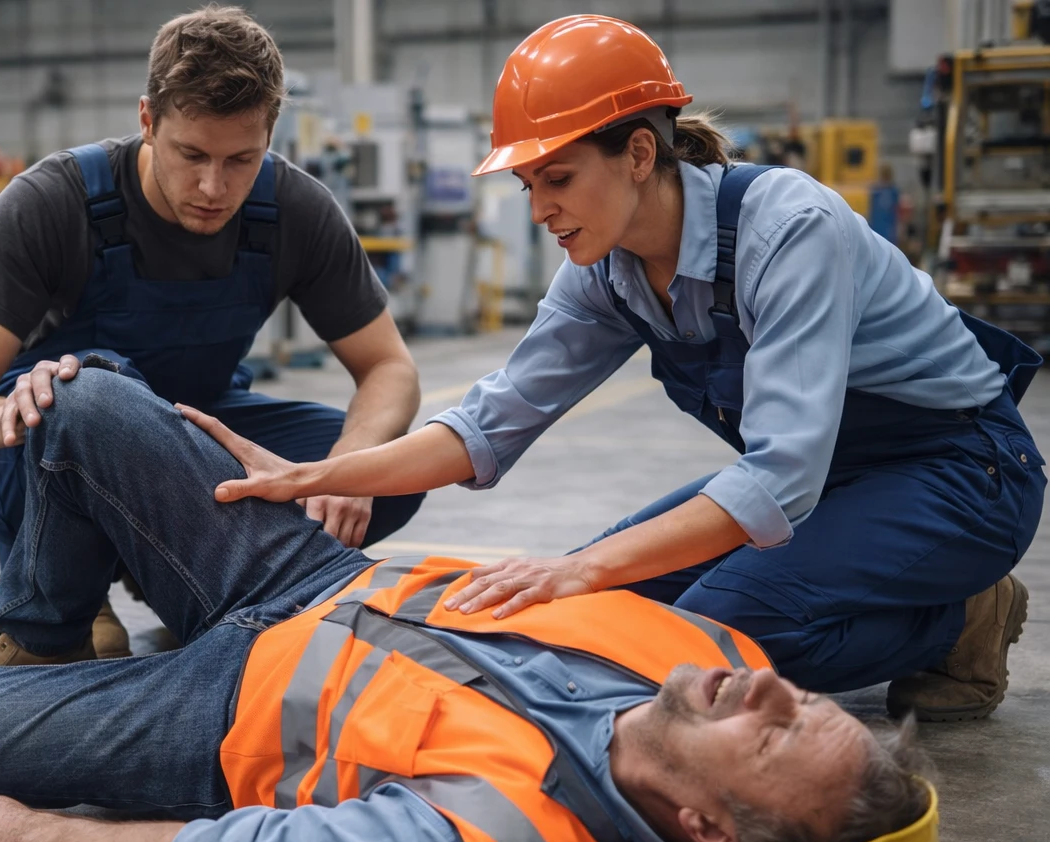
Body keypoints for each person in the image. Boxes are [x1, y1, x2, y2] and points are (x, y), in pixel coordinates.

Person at [0, 367, 933, 842]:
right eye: (801, 699)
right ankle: (23, 614)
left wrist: (36, 836)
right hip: (315, 579)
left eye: (771, 732)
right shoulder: (708, 652)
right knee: (84, 404)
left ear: (715, 837)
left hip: (216, 712)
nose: (767, 684)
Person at [186, 15, 1046, 722]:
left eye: (556, 176)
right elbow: (487, 424)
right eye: (527, 185)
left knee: (708, 634)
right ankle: (905, 603)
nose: (540, 209)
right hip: (836, 484)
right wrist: (319, 476)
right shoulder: (604, 273)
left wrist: (586, 564)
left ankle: (959, 620)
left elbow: (780, 475)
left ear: (639, 153)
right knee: (583, 616)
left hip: (963, 472)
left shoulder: (790, 231)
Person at [0, 4, 424, 667]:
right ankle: (12, 588)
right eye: (191, 154)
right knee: (90, 387)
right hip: (48, 459)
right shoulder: (55, 202)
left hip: (192, 439)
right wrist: (13, 416)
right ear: (148, 120)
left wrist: (348, 468)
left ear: (271, 136)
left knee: (395, 468)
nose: (213, 186)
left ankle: (172, 570)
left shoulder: (294, 210)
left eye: (241, 160)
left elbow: (389, 369)